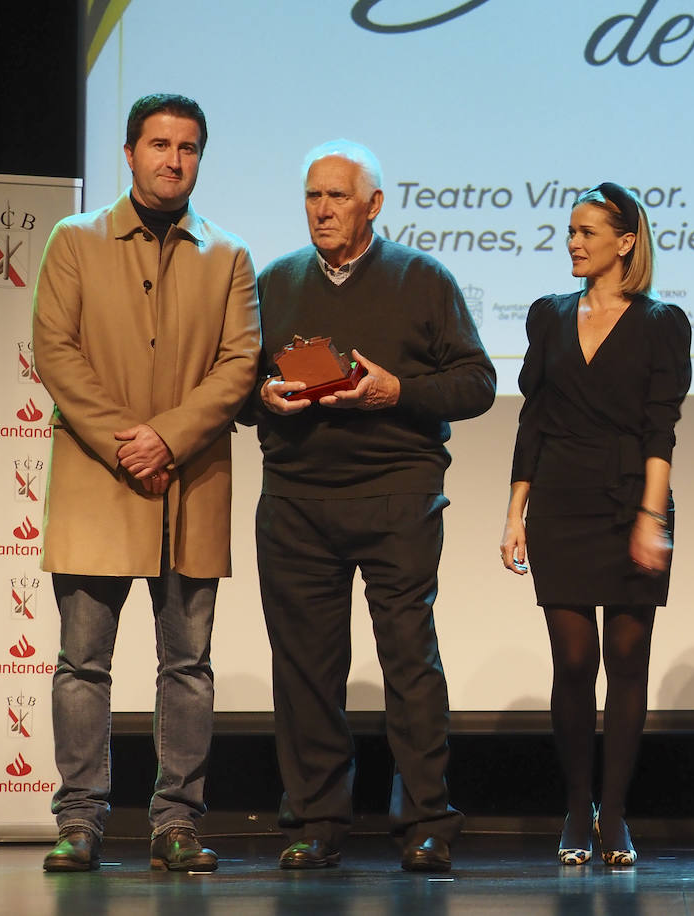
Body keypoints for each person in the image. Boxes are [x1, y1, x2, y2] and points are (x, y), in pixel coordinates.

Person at [249, 140, 494, 872]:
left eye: (338, 197)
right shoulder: (275, 282)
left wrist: (398, 392)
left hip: (397, 494)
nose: (322, 210)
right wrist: (261, 397)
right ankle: (319, 820)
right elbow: (234, 388)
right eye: (313, 197)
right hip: (296, 498)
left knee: (408, 663)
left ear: (374, 205)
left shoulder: (422, 279)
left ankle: (424, 822)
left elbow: (476, 383)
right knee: (305, 669)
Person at [32, 93, 261, 873]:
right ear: (128, 153)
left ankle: (176, 823)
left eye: (188, 147)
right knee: (82, 661)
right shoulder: (74, 240)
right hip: (101, 476)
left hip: (190, 481)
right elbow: (56, 353)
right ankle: (81, 819)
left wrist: (168, 436)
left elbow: (240, 365)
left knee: (187, 665)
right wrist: (127, 441)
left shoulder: (228, 254)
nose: (174, 159)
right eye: (159, 144)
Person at [500, 182, 691, 867]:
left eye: (587, 232)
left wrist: (650, 514)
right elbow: (534, 418)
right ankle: (576, 809)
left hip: (630, 501)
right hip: (561, 504)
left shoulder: (662, 321)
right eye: (571, 231)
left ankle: (615, 816)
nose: (574, 243)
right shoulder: (547, 316)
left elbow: (661, 427)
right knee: (575, 661)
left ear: (626, 241)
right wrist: (516, 509)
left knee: (628, 661)